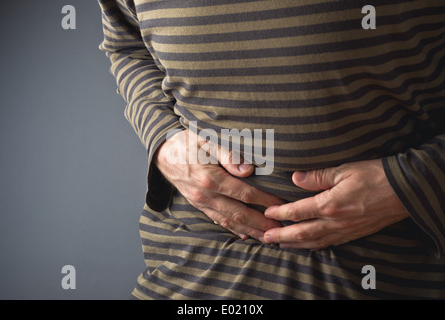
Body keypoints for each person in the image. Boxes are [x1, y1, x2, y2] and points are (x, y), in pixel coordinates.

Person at [98, 0, 445, 299]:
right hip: (193, 277)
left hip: (385, 275)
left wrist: (412, 183)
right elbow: (127, 44)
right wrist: (164, 137)